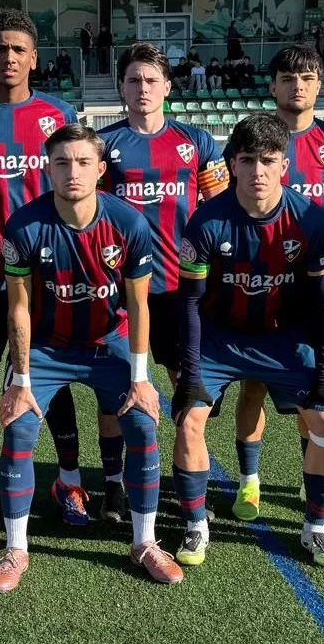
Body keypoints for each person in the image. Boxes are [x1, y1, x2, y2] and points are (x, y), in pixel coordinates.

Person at [0, 123, 184, 592]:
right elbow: (19, 306)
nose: (71, 172)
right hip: (46, 345)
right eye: (61, 162)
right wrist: (20, 379)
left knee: (141, 421)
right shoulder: (24, 226)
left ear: (100, 169)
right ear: (46, 169)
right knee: (18, 427)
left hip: (108, 341)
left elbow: (138, 305)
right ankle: (16, 548)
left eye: (81, 163)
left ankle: (145, 542)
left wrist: (140, 378)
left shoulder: (129, 224)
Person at [174, 114, 324, 569]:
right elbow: (189, 304)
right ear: (231, 163)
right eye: (247, 160)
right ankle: (195, 526)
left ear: (284, 166)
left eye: (268, 161)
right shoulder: (205, 221)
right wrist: (191, 375)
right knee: (190, 419)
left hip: (283, 338)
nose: (257, 172)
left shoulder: (310, 219)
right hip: (219, 338)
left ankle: (315, 528)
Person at [222, 45, 324, 556]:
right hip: (258, 281)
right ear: (272, 85)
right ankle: (250, 480)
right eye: (287, 77)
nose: (297, 86)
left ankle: (320, 495)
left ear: (320, 84)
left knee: (319, 394)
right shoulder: (250, 137)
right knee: (254, 387)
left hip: (313, 286)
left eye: (306, 77)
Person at [0, 10, 88, 523]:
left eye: (18, 49)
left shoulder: (58, 113)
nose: (8, 57)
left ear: (34, 57)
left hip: (47, 276)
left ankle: (69, 482)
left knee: (51, 379)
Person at [97, 42, 229, 521]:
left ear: (168, 88)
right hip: (119, 289)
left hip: (179, 290)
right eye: (134, 80)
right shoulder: (103, 146)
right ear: (122, 88)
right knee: (116, 390)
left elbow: (218, 212)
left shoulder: (197, 143)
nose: (143, 88)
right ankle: (113, 484)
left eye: (152, 80)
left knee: (185, 386)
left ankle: (184, 479)